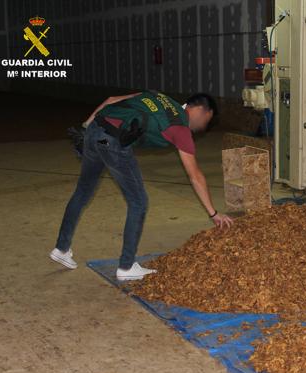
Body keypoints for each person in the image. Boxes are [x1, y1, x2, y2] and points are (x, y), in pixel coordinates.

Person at [50, 91, 233, 280]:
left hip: (95, 133)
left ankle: (61, 248)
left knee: (83, 192)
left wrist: (87, 127)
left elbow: (110, 100)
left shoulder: (158, 96)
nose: (203, 127)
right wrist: (213, 213)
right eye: (206, 121)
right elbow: (195, 176)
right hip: (111, 142)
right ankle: (126, 267)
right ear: (202, 111)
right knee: (138, 202)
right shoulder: (180, 127)